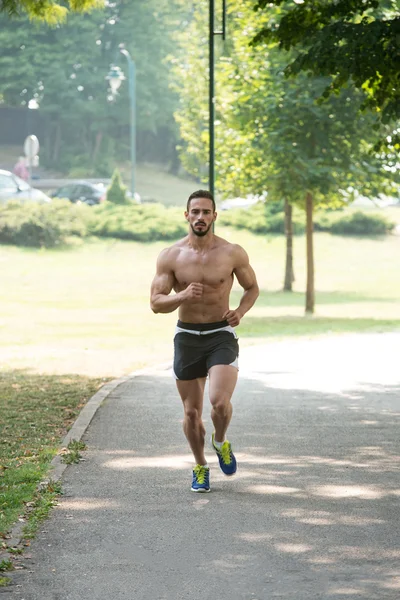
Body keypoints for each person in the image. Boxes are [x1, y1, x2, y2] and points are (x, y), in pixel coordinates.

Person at [150, 190, 259, 493]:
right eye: (194, 212)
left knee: (219, 404)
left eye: (206, 212)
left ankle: (220, 441)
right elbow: (156, 303)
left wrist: (240, 311)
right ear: (186, 215)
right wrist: (182, 295)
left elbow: (252, 288)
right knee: (191, 413)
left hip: (220, 333)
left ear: (214, 216)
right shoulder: (171, 256)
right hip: (187, 336)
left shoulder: (232, 253)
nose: (200, 217)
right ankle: (200, 466)